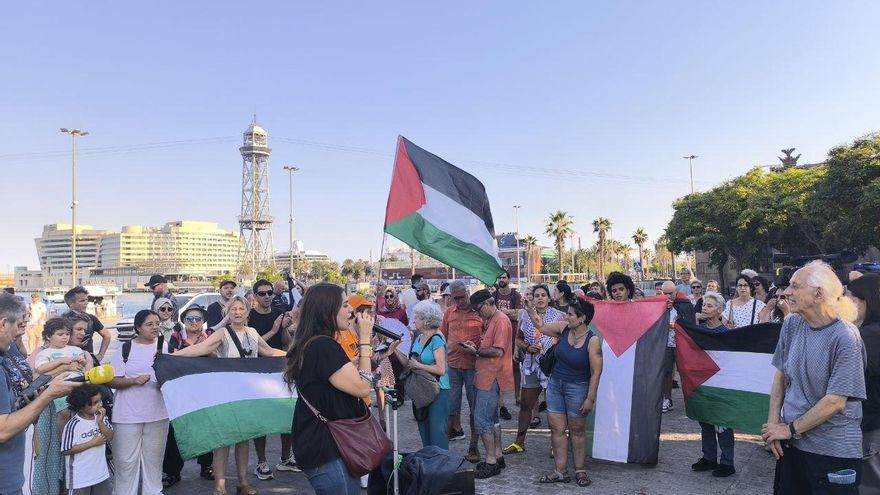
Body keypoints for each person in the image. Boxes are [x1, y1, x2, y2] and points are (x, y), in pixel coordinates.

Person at [762, 261, 867, 494]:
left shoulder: (845, 337)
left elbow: (835, 401)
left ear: (818, 294)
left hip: (832, 451)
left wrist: (789, 429)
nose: (787, 292)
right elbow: (781, 373)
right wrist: (773, 426)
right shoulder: (792, 323)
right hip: (793, 445)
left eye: (795, 286)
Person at [173, 295, 284, 495]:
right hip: (225, 394)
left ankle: (242, 481)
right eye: (233, 309)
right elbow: (201, 348)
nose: (238, 312)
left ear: (247, 311)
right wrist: (172, 356)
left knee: (243, 439)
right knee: (223, 442)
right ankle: (220, 486)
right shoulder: (222, 333)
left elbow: (268, 352)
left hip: (246, 393)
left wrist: (294, 354)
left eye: (241, 309)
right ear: (227, 313)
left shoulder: (252, 332)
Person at [283, 283, 376, 495]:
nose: (351, 310)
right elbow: (363, 387)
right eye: (344, 305)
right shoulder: (323, 346)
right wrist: (364, 340)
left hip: (329, 444)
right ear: (327, 311)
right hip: (325, 447)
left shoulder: (315, 343)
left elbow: (341, 377)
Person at [0, 293, 81, 495]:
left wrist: (59, 373)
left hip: (13, 470)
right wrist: (50, 394)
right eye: (19, 323)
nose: (24, 327)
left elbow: (24, 389)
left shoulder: (8, 350)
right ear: (3, 323)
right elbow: (3, 430)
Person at [524, 294, 602, 487]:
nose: (566, 317)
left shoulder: (592, 341)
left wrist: (590, 398)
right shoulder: (563, 329)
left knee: (577, 430)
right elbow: (541, 326)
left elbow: (596, 371)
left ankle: (580, 470)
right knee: (557, 429)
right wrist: (530, 310)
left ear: (582, 318)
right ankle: (560, 471)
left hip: (578, 388)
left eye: (570, 315)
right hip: (555, 386)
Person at [109, 309, 170, 495]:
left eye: (157, 324)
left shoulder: (163, 345)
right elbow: (112, 380)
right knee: (126, 461)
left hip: (158, 413)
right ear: (138, 327)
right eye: (149, 324)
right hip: (127, 415)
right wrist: (132, 381)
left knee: (154, 459)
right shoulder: (125, 348)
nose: (155, 328)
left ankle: (154, 491)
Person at [459, 289, 514, 479]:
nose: (477, 312)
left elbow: (498, 351)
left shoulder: (500, 320)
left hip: (490, 377)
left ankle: (491, 461)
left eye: (478, 308)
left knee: (482, 420)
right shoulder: (493, 320)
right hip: (487, 376)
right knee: (492, 420)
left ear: (489, 304)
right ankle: (497, 456)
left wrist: (475, 351)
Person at [504, 284, 564, 455]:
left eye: (543, 295)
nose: (539, 298)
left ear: (549, 298)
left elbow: (566, 339)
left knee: (554, 408)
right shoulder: (525, 316)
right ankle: (519, 443)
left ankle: (556, 445)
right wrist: (527, 347)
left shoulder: (559, 316)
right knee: (525, 405)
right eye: (536, 295)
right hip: (531, 366)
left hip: (553, 367)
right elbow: (518, 339)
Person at [246, 279, 296, 480]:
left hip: (279, 369)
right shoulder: (249, 318)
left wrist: (284, 329)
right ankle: (261, 461)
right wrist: (274, 329)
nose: (267, 297)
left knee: (286, 413)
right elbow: (251, 346)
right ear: (255, 296)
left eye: (269, 293)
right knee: (261, 419)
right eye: (262, 293)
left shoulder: (278, 314)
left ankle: (285, 458)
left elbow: (286, 344)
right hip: (257, 371)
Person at [163, 305, 214, 485]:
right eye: (189, 319)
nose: (194, 322)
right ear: (183, 321)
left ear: (203, 321)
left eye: (198, 319)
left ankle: (207, 466)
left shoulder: (210, 337)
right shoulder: (175, 338)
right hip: (181, 391)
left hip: (205, 391)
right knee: (175, 431)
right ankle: (172, 471)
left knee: (207, 429)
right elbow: (169, 359)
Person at [690, 292, 736, 477]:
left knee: (722, 424)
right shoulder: (698, 330)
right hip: (703, 383)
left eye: (709, 306)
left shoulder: (727, 334)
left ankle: (727, 462)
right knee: (705, 421)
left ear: (719, 310)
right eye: (704, 305)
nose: (704, 308)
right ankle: (709, 457)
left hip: (721, 384)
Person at [440, 280, 483, 463]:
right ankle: (446, 448)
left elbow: (487, 337)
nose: (461, 302)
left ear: (468, 292)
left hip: (474, 365)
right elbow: (442, 336)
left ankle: (474, 446)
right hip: (453, 365)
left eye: (462, 297)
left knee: (475, 408)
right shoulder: (449, 313)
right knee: (450, 406)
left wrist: (477, 346)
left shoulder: (479, 312)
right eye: (456, 299)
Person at [396, 300, 449, 449]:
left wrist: (418, 365)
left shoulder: (437, 339)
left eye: (417, 317)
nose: (414, 320)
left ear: (426, 320)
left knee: (437, 432)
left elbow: (441, 369)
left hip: (437, 389)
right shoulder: (419, 338)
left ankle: (440, 465)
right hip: (421, 390)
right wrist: (395, 349)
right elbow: (409, 364)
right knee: (424, 429)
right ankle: (430, 463)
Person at [845, 274, 880, 493]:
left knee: (869, 486)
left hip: (870, 427)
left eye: (849, 299)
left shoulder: (867, 337)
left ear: (865, 300)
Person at [62, 384, 114, 495]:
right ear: (81, 405)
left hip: (100, 474)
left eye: (100, 401)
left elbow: (109, 437)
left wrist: (100, 423)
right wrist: (92, 443)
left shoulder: (101, 418)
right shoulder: (73, 425)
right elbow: (66, 449)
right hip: (79, 479)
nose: (99, 405)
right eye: (94, 403)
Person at [661, 281, 696, 413]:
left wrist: (676, 325)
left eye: (670, 293)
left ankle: (691, 400)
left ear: (676, 292)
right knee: (667, 372)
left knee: (685, 372)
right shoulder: (659, 305)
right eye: (665, 293)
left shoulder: (685, 304)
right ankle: (667, 399)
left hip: (682, 344)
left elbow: (691, 324)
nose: (668, 296)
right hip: (666, 344)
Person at [494, 270, 522, 420]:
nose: (501, 279)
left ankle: (518, 396)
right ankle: (501, 404)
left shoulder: (515, 295)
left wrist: (503, 312)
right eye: (499, 277)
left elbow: (519, 313)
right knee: (499, 369)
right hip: (499, 336)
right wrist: (507, 313)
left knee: (516, 367)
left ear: (509, 279)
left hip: (513, 334)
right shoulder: (494, 295)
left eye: (504, 277)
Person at [63, 286, 111, 362]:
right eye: (82, 300)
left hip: (89, 361)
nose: (86, 303)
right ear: (71, 303)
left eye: (86, 300)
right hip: (68, 360)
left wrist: (101, 355)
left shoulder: (91, 319)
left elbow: (107, 335)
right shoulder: (62, 320)